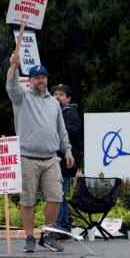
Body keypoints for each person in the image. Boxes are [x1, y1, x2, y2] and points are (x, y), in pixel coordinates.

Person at [6, 53, 74, 253]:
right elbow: (11, 85)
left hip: (52, 158)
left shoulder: (54, 102)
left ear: (46, 79)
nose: (41, 80)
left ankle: (48, 235)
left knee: (55, 197)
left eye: (43, 77)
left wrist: (68, 150)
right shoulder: (22, 97)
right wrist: (14, 66)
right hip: (27, 158)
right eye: (36, 77)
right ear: (30, 80)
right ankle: (29, 238)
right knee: (27, 200)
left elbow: (61, 130)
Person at [52, 84, 83, 237]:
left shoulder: (71, 114)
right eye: (55, 94)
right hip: (55, 160)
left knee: (59, 193)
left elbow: (69, 134)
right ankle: (62, 225)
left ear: (68, 98)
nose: (57, 97)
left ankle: (62, 226)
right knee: (57, 194)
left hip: (66, 161)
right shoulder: (52, 113)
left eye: (61, 94)